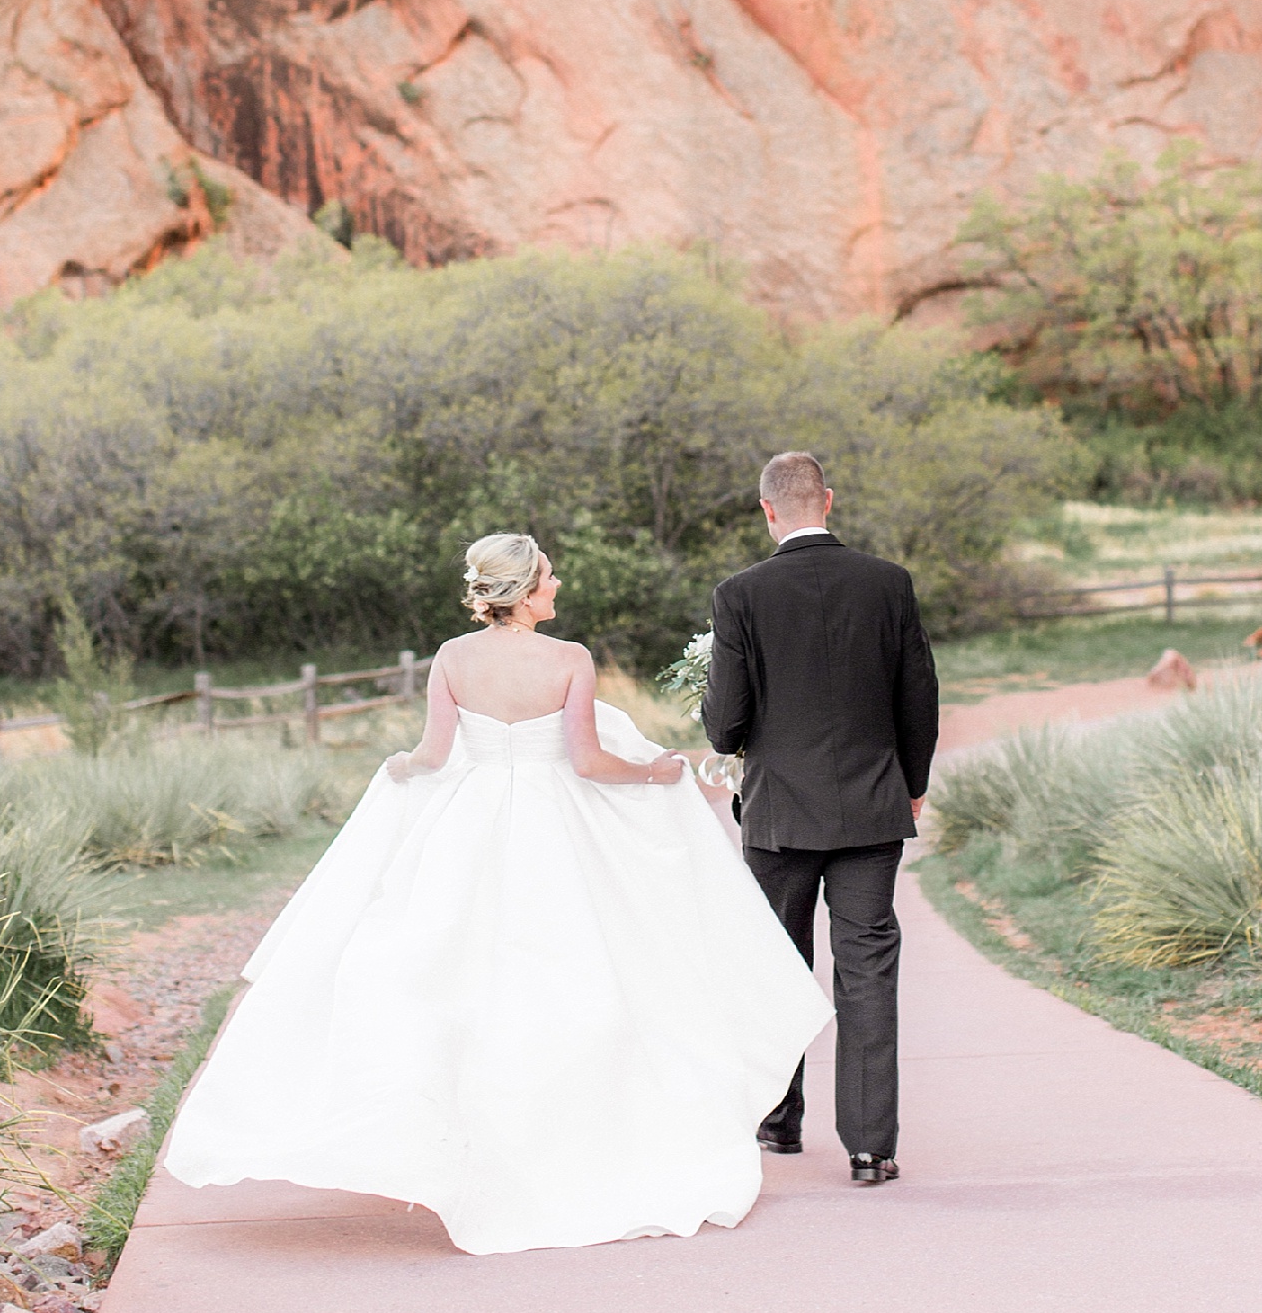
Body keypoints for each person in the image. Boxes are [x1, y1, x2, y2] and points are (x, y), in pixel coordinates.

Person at [164, 533, 831, 1257]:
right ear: (524, 590)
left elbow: (432, 756)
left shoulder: (452, 658)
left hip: (468, 826)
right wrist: (655, 774)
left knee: (455, 981)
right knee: (574, 980)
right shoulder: (570, 660)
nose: (557, 583)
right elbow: (587, 761)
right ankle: (565, 1140)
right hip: (555, 829)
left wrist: (397, 769)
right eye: (549, 574)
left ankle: (466, 1148)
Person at [701, 452, 939, 1185]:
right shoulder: (888, 583)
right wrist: (912, 785)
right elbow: (918, 697)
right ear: (827, 500)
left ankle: (779, 1121)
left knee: (780, 964)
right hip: (872, 809)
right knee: (867, 968)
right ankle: (871, 1147)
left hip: (779, 816)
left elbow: (724, 726)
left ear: (767, 509)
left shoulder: (740, 595)